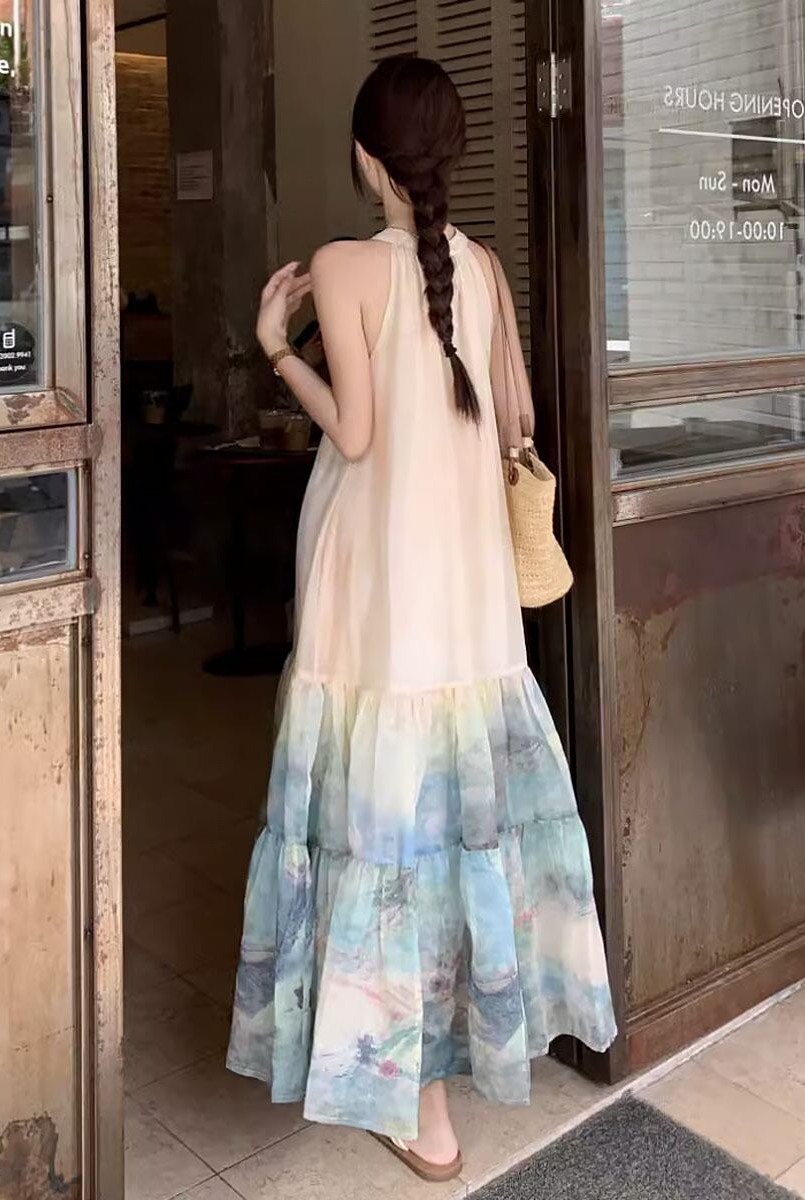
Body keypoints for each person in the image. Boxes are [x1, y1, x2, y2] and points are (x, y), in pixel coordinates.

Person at [227, 55, 616, 1183]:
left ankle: (414, 1100)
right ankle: (470, 1045)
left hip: (377, 591)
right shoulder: (483, 266)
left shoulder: (344, 266)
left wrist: (274, 347)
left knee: (382, 834)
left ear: (364, 158)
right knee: (457, 832)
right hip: (467, 595)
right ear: (448, 155)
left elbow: (352, 435)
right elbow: (516, 416)